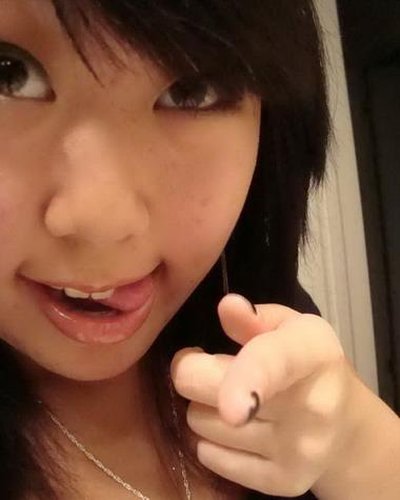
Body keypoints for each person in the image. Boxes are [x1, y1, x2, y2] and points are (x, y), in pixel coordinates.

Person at [0, 0, 399, 499]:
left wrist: (355, 443)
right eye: (9, 74)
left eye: (191, 91)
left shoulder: (258, 324)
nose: (104, 224)